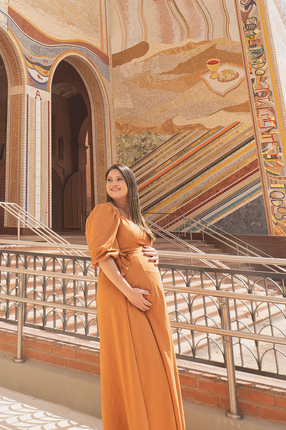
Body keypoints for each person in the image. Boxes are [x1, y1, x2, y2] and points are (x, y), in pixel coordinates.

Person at [86, 164, 186, 430]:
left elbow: (137, 247)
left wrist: (153, 254)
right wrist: (129, 292)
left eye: (120, 179)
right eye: (109, 179)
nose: (114, 183)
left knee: (155, 363)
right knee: (138, 364)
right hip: (123, 298)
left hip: (145, 302)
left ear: (130, 183)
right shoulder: (104, 211)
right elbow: (103, 257)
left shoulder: (132, 216)